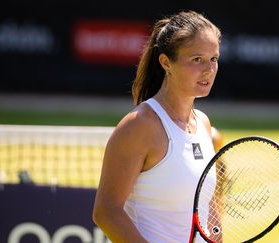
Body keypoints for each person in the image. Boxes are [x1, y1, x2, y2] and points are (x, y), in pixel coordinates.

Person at [92, 10, 221, 243]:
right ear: (165, 62)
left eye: (213, 58)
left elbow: (209, 205)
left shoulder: (203, 124)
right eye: (197, 59)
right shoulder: (139, 126)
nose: (208, 69)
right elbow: (106, 212)